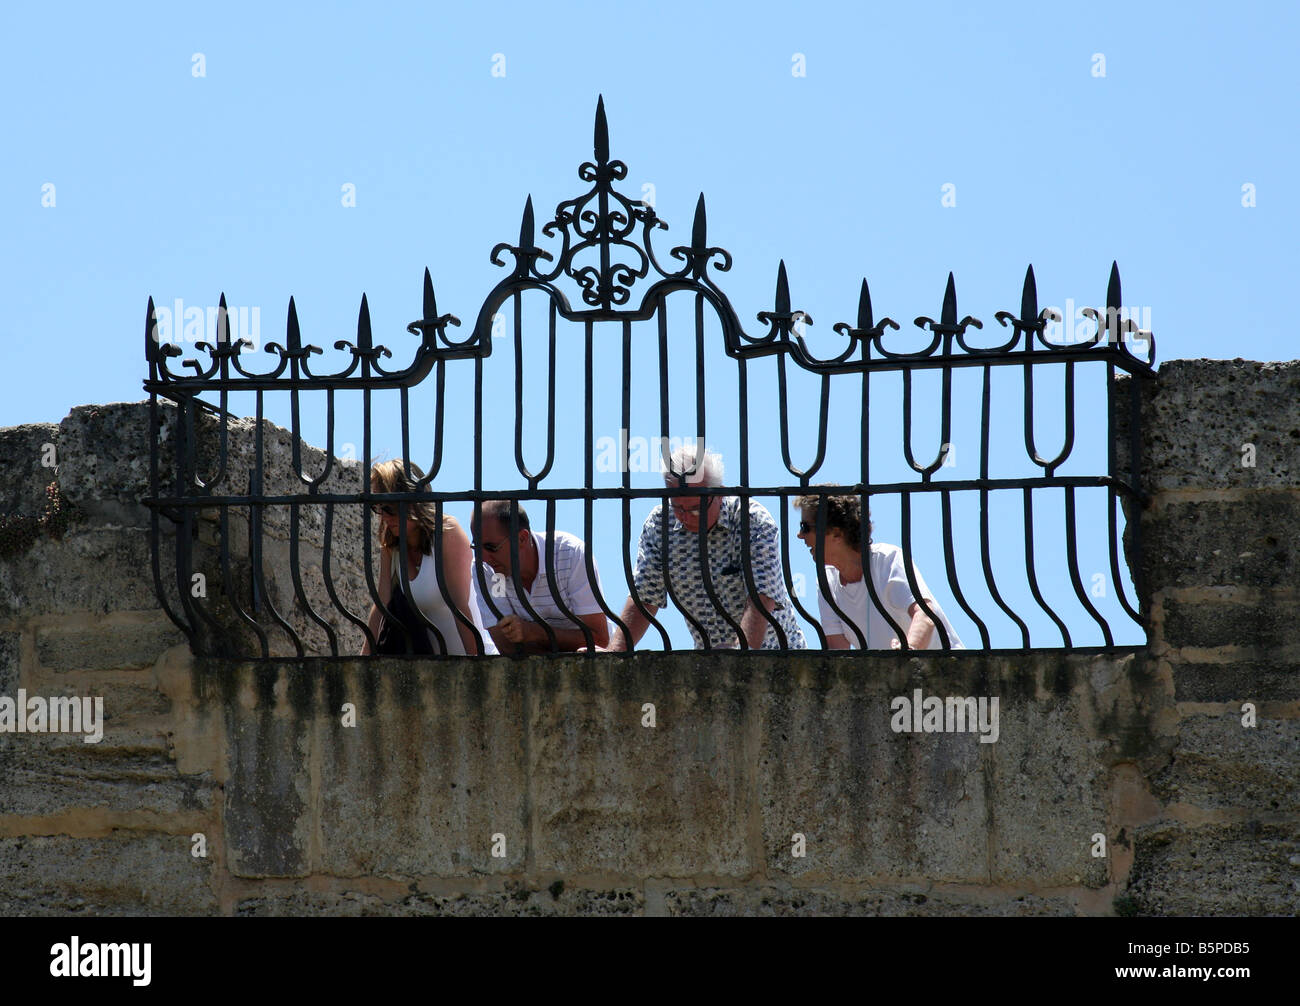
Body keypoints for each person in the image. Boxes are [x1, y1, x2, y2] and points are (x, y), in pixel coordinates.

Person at [605, 445, 806, 651]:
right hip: (709, 663)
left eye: (694, 508)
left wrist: (741, 653)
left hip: (777, 655)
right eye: (677, 507)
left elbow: (761, 596)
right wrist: (615, 652)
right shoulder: (659, 525)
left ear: (718, 494)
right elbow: (645, 597)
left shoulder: (751, 520)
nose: (684, 516)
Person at [793, 491, 964, 650]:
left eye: (805, 527)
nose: (800, 535)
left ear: (836, 533)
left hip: (944, 674)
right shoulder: (826, 581)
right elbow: (837, 651)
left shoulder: (888, 560)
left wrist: (907, 652)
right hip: (888, 680)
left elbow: (925, 614)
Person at [360, 460, 494, 656]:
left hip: (472, 656)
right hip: (433, 669)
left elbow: (460, 606)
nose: (384, 517)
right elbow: (382, 604)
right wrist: (362, 659)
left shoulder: (446, 532)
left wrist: (477, 666)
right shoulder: (392, 545)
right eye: (377, 508)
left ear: (413, 503)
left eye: (389, 508)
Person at [470, 500, 609, 654]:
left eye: (491, 547)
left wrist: (534, 633)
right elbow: (507, 646)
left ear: (522, 538)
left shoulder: (570, 554)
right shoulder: (488, 570)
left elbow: (599, 640)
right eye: (477, 547)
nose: (484, 558)